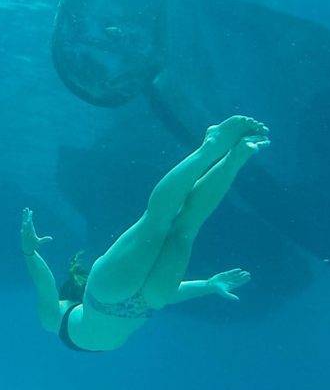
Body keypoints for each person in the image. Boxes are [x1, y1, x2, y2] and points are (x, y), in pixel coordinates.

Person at [22, 115, 269, 352]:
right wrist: (30, 252)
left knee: (185, 230)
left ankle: (235, 156)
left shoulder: (63, 320)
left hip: (147, 303)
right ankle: (213, 148)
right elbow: (44, 285)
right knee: (157, 221)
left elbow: (45, 286)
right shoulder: (54, 322)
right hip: (114, 293)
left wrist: (208, 285)